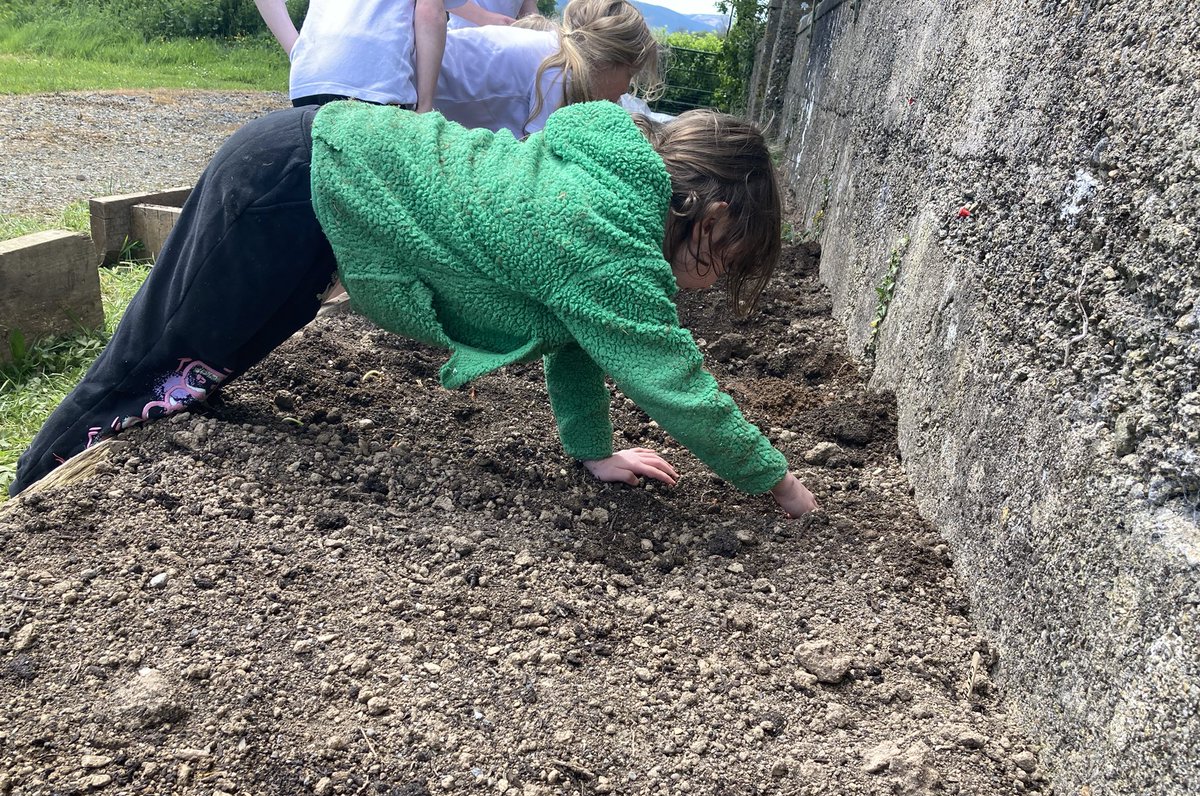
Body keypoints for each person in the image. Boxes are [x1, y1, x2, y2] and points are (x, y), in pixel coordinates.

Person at [8, 101, 818, 517]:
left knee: (208, 358)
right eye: (729, 264)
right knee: (158, 359)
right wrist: (778, 483)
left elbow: (579, 343)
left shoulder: (605, 212)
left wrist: (593, 452)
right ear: (709, 220)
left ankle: (118, 435)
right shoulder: (604, 236)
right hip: (290, 186)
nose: (712, 287)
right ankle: (33, 498)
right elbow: (673, 381)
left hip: (306, 182)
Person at [437, 0, 659, 138]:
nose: (625, 88)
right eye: (629, 74)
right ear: (606, 61)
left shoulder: (554, 50)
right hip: (413, 88)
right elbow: (538, 160)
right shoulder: (559, 72)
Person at [254, 0, 466, 112]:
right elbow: (430, 12)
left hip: (309, 81)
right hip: (376, 81)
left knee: (319, 174)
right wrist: (426, 104)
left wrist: (299, 53)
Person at [450, 0, 538, 29]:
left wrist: (537, 26)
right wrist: (488, 19)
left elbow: (528, 8)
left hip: (507, 42)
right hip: (464, 38)